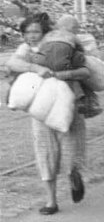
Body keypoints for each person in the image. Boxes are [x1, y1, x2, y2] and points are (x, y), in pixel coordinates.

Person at [6, 12, 90, 215]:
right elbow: (12, 63)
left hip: (68, 107)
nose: (31, 36)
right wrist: (35, 67)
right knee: (45, 154)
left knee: (71, 152)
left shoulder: (65, 46)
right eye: (27, 32)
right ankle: (51, 201)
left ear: (45, 33)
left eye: (36, 31)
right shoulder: (26, 50)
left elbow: (85, 71)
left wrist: (62, 74)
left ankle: (73, 175)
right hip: (41, 112)